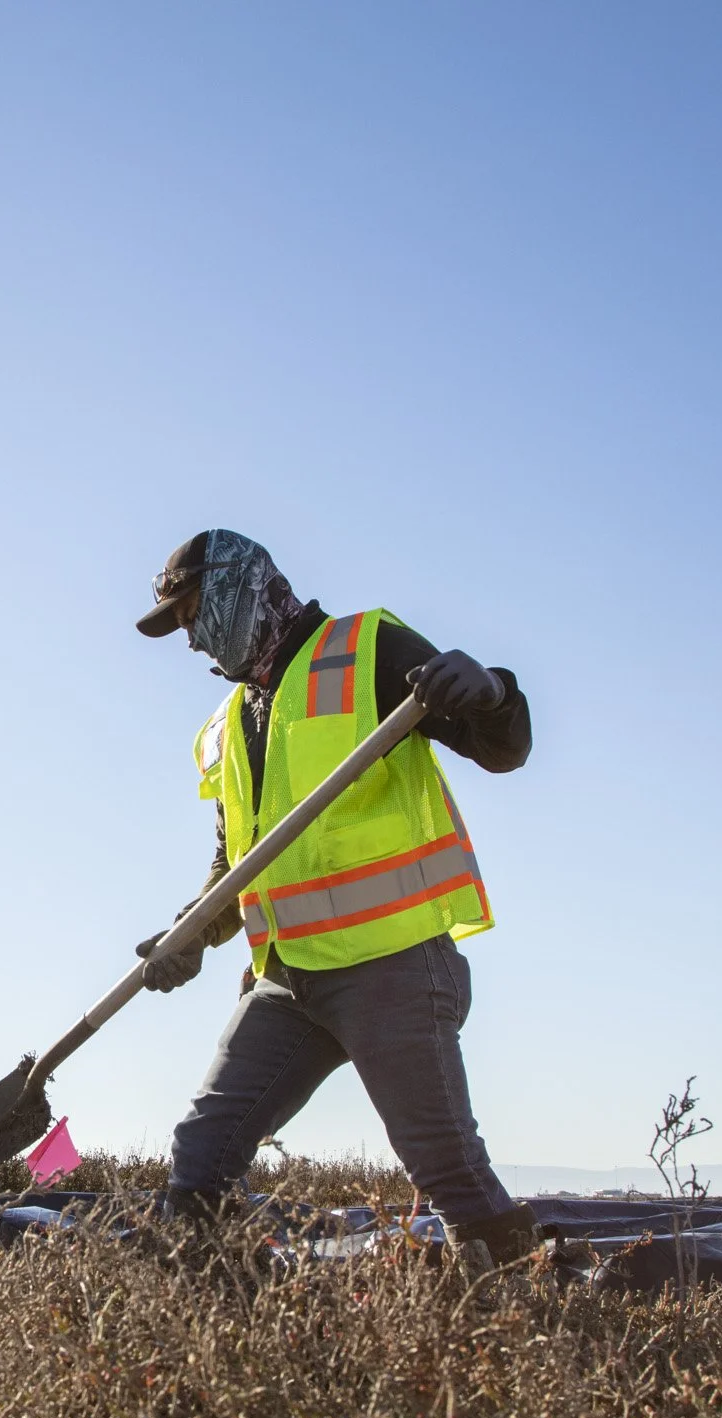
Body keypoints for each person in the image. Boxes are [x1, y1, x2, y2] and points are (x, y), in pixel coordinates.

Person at [131, 528, 540, 1267]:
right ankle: (217, 1329)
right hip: (289, 982)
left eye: (192, 613)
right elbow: (236, 866)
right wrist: (188, 934)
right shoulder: (224, 728)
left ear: (238, 584)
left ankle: (525, 1327)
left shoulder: (365, 649)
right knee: (202, 1153)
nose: (190, 640)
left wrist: (491, 690)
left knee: (445, 1168)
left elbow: (501, 745)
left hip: (393, 968)